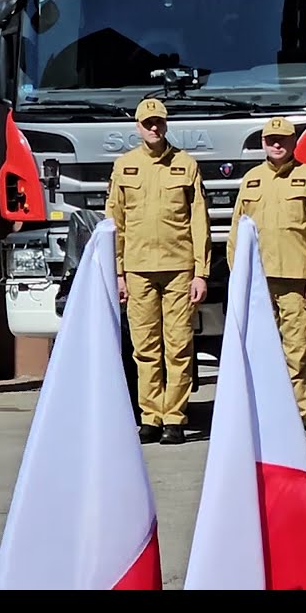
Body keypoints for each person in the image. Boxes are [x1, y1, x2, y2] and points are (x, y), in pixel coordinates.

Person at [105, 98, 211, 445]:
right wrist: (118, 273)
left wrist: (201, 272)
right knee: (145, 348)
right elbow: (115, 223)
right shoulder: (124, 166)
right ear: (138, 127)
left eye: (159, 122)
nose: (154, 128)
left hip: (179, 268)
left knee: (178, 346)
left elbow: (199, 221)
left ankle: (174, 418)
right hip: (138, 270)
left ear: (166, 125)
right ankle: (150, 417)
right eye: (147, 123)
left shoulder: (186, 165)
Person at [227, 116, 306, 429]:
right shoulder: (252, 180)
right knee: (260, 351)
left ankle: (294, 420)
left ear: (293, 142)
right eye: (271, 140)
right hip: (259, 282)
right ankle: (265, 417)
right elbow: (237, 232)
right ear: (263, 143)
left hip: (297, 281)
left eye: (283, 139)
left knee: (295, 353)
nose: (277, 144)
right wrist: (238, 276)